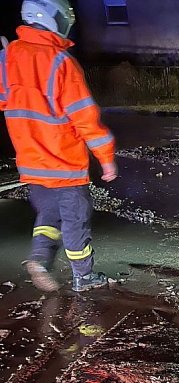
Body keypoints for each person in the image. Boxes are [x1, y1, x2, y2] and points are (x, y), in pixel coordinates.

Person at [0, 0, 117, 294]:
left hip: (31, 164)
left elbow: (8, 102)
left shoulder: (8, 57)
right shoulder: (60, 62)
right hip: (65, 164)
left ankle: (40, 259)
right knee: (76, 220)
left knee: (48, 214)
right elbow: (85, 117)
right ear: (53, 18)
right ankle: (83, 276)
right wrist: (106, 158)